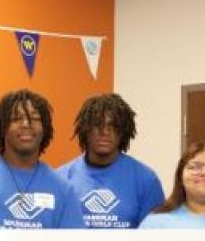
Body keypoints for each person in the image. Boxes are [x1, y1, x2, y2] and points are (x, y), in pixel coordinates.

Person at [0, 89, 84, 228]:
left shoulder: (63, 189)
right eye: (16, 118)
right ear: (3, 128)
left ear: (44, 129)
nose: (26, 124)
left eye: (35, 118)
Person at [58, 93, 164, 228]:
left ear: (123, 131)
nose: (105, 132)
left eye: (113, 125)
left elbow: (154, 239)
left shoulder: (146, 179)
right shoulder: (61, 179)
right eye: (97, 125)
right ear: (86, 130)